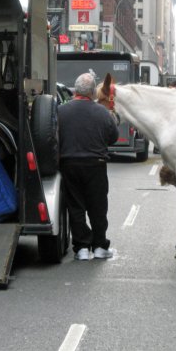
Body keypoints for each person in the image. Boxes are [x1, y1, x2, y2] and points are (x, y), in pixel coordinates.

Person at [58, 72, 119, 261]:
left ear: (75, 91)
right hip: (96, 164)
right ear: (93, 92)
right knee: (98, 207)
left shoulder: (60, 111)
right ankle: (100, 246)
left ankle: (82, 247)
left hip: (69, 164)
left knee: (76, 207)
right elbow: (113, 137)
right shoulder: (103, 112)